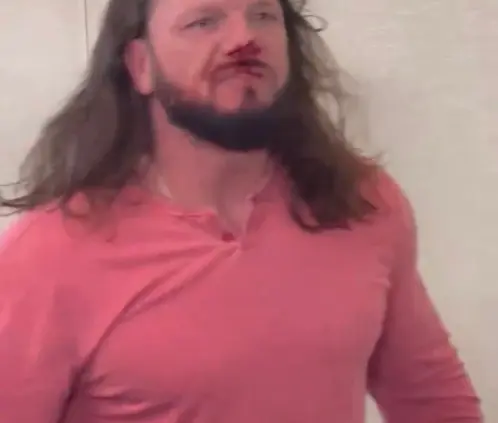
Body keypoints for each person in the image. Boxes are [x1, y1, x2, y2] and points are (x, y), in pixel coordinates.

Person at [0, 0, 483, 422]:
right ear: (140, 65)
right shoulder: (51, 253)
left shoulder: (364, 203)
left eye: (263, 15)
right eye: (204, 21)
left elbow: (434, 404)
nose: (244, 39)